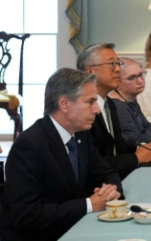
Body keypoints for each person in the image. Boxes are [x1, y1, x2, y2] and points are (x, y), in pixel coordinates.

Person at [0, 68, 123, 240]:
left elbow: (107, 172)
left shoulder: (81, 135)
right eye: (90, 102)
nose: (96, 109)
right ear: (64, 104)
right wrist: (89, 204)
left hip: (72, 229)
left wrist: (110, 191)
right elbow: (27, 215)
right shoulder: (30, 145)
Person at [77, 43, 151, 179]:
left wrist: (146, 149)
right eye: (112, 64)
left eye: (118, 64)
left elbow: (119, 150)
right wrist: (136, 157)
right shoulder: (80, 111)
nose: (117, 70)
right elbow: (91, 164)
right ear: (90, 70)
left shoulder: (109, 104)